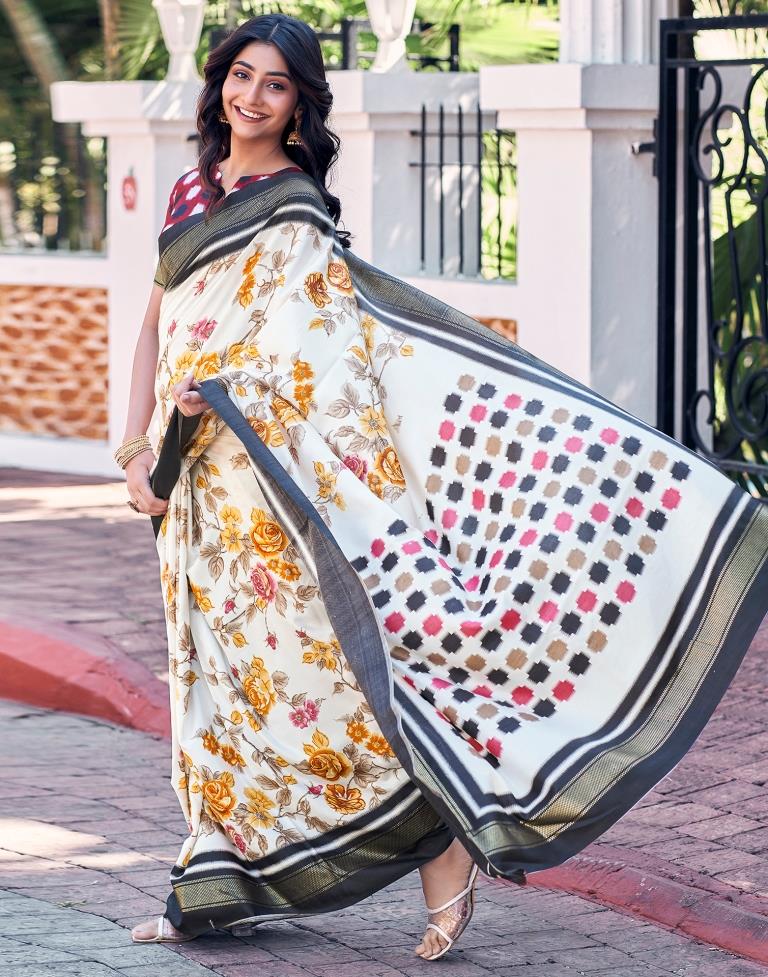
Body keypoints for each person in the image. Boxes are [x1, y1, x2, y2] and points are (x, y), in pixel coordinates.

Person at [117, 12, 768, 962]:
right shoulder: (188, 190)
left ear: (300, 107)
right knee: (223, 689)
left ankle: (444, 846)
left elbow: (314, 352)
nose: (250, 96)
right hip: (195, 495)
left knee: (326, 671)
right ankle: (213, 879)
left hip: (267, 488)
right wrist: (137, 445)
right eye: (241, 76)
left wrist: (214, 394)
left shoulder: (293, 206)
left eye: (275, 84)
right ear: (219, 80)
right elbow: (153, 323)